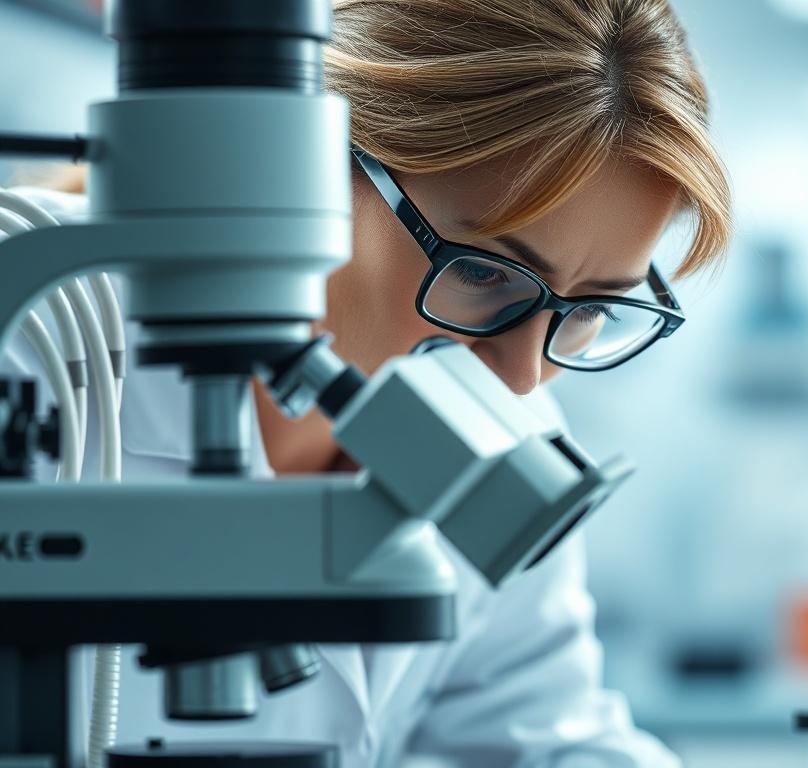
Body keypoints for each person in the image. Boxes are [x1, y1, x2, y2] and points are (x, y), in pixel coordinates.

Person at [3, 0, 730, 765]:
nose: (523, 376)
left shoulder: (493, 440)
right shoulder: (31, 334)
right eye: (483, 273)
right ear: (299, 168)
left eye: (588, 311)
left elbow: (547, 733)